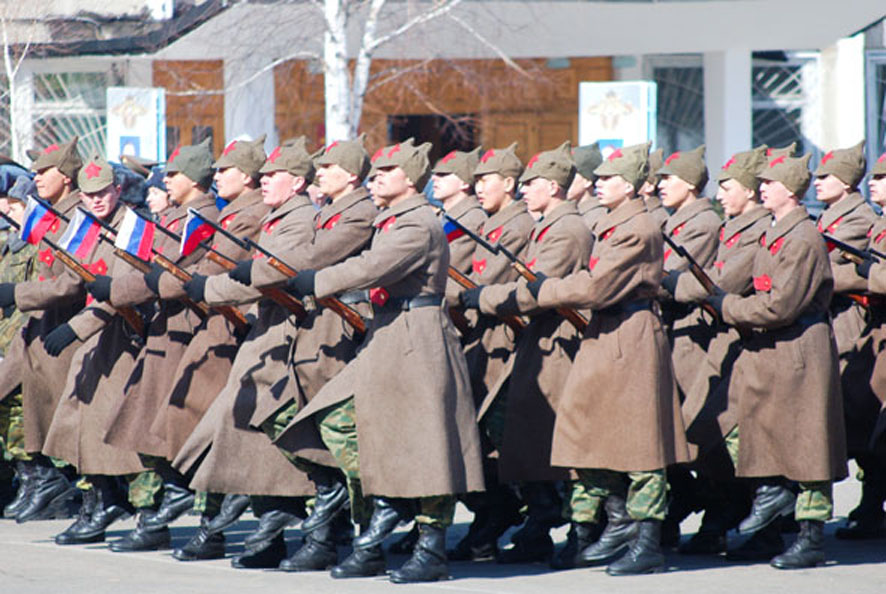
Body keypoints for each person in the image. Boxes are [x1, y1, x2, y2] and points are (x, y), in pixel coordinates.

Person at [274, 140, 485, 583]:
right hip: (388, 332)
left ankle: (430, 547)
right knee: (339, 419)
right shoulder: (394, 220)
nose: (375, 177)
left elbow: (373, 265)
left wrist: (315, 280)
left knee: (428, 442)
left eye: (386, 172)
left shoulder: (417, 223)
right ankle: (384, 509)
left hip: (417, 337)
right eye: (375, 172)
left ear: (410, 179)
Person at [526, 141, 690, 575]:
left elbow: (598, 287)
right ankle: (618, 521)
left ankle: (648, 540)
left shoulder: (638, 227)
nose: (598, 184)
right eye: (597, 178)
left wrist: (544, 289)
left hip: (630, 335)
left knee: (640, 442)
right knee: (586, 427)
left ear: (632, 185)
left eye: (608, 179)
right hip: (606, 332)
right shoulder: (613, 224)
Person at [702, 152, 848, 569]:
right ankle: (771, 513)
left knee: (808, 446)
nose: (761, 187)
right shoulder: (775, 231)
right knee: (765, 431)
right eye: (760, 182)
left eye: (769, 182)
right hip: (774, 349)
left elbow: (780, 305)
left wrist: (728, 306)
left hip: (799, 347)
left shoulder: (802, 237)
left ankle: (811, 538)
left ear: (790, 190)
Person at [461, 142, 592, 565]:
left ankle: (580, 531)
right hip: (539, 344)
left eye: (532, 184)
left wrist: (482, 298)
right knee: (525, 440)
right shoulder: (547, 224)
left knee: (564, 447)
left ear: (552, 187)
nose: (525, 190)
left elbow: (536, 291)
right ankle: (539, 522)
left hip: (558, 347)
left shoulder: (566, 229)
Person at [662, 146, 771, 557]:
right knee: (706, 436)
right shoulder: (730, 224)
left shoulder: (740, 227)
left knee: (731, 439)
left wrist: (668, 284)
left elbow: (719, 280)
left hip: (732, 337)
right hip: (715, 336)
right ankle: (723, 514)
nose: (722, 194)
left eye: (729, 187)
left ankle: (756, 522)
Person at [40, 154, 146, 545]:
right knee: (77, 421)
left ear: (117, 190)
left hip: (125, 338)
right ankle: (102, 498)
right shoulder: (84, 227)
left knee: (120, 429)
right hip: (96, 339)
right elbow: (70, 281)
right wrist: (20, 294)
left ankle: (142, 512)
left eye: (103, 193)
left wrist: (74, 328)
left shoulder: (133, 227)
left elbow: (122, 290)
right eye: (89, 195)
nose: (97, 201)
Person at [0, 137, 85, 522]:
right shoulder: (52, 216)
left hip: (67, 330)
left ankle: (80, 492)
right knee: (36, 411)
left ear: (66, 176)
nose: (35, 177)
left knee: (65, 416)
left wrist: (17, 293)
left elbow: (72, 281)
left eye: (43, 171)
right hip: (41, 327)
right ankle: (43, 482)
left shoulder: (77, 218)